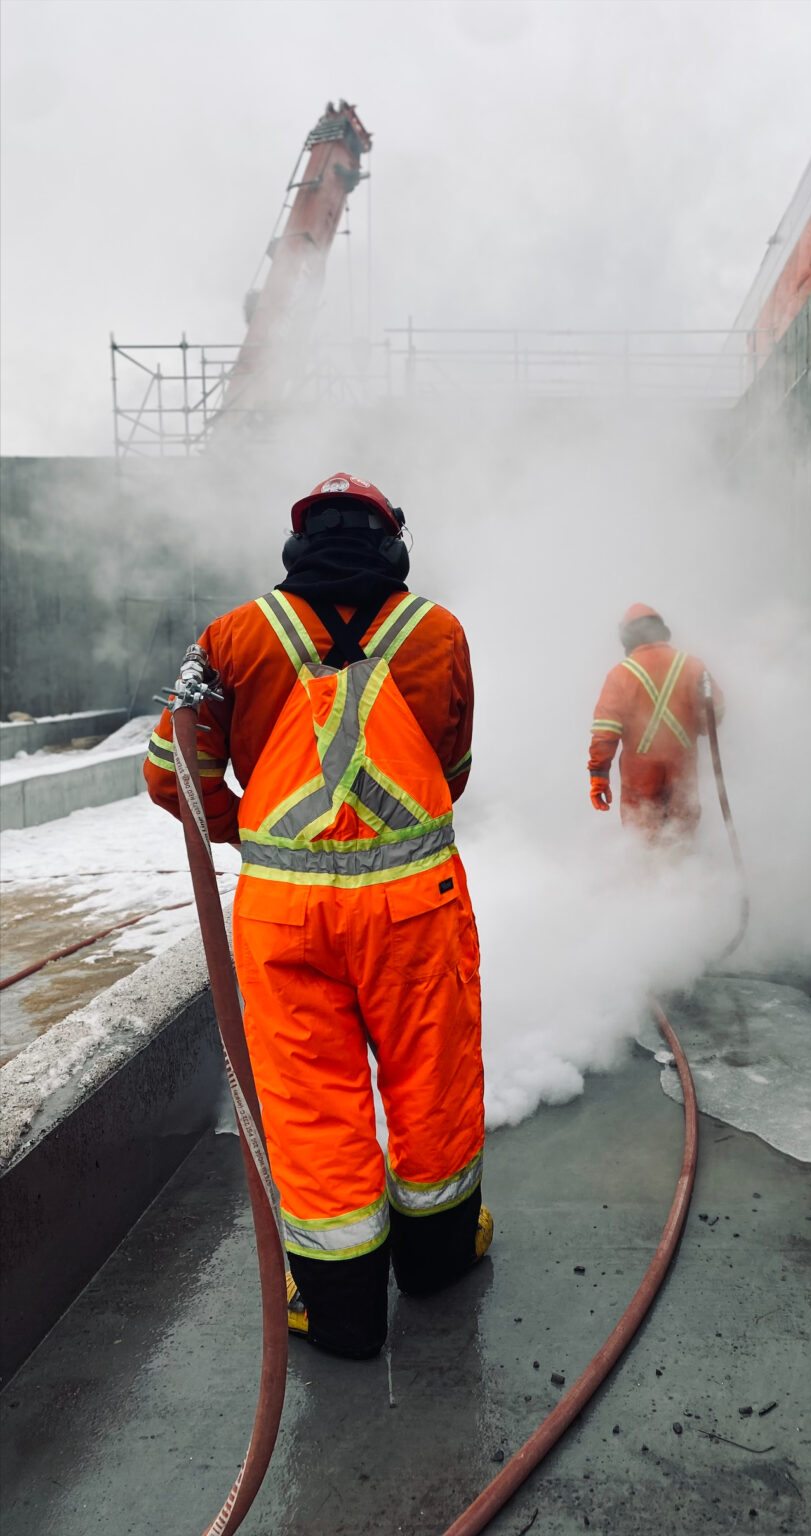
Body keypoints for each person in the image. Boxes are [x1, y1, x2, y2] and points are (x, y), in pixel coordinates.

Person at [145, 472, 490, 1361]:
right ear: (390, 542)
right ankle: (438, 1263)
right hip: (414, 910)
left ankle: (339, 1314)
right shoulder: (437, 632)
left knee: (309, 1105)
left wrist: (255, 830)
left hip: (285, 917)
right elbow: (450, 769)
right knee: (432, 1085)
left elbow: (171, 773)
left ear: (298, 544)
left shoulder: (231, 636)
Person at [587, 603, 722, 843]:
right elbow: (715, 712)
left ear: (627, 637)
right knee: (682, 838)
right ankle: (686, 868)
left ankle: (649, 869)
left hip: (640, 776)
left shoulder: (620, 674)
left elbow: (605, 731)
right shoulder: (692, 666)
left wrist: (599, 775)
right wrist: (695, 725)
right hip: (683, 770)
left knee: (643, 842)